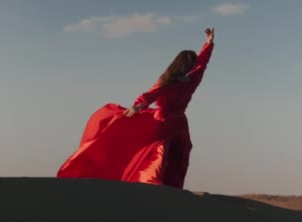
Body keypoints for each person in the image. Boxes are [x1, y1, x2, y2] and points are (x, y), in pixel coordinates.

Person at [56, 28, 215, 189]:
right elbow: (199, 65)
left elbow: (154, 92)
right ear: (186, 66)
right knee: (164, 153)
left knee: (168, 154)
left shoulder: (175, 79)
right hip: (173, 122)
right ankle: (153, 183)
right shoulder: (185, 80)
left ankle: (159, 184)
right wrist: (208, 44)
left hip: (169, 121)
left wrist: (208, 44)